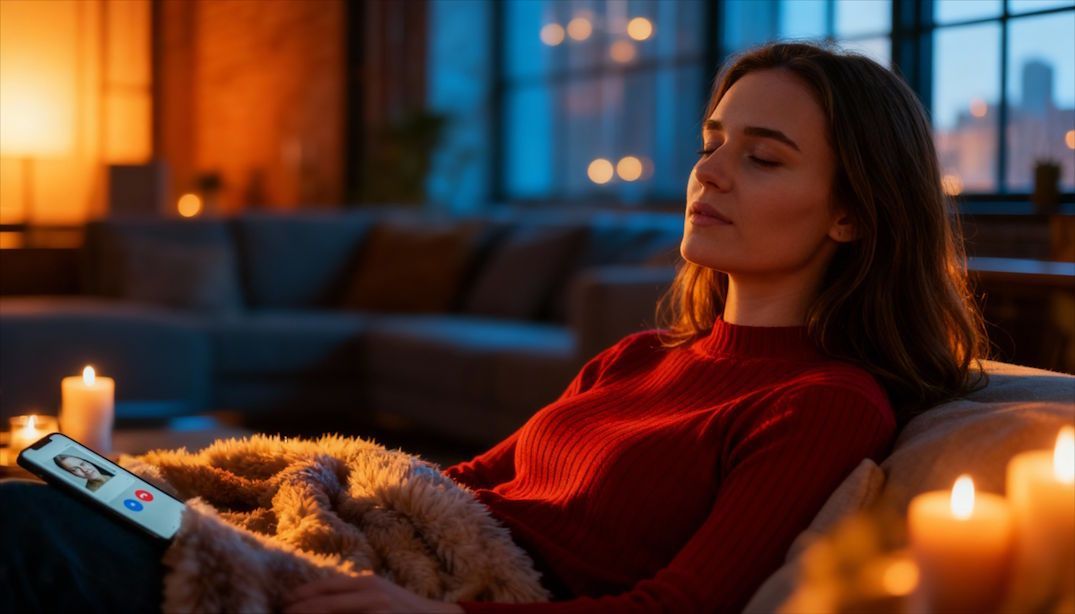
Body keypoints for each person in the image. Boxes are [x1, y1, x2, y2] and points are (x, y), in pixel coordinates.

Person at [1, 42, 988, 613]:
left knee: (32, 534)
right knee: (72, 494)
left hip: (430, 595)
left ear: (851, 211)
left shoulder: (820, 403)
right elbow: (459, 481)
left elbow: (677, 609)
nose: (711, 173)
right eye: (711, 143)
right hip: (352, 553)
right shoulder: (639, 356)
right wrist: (291, 504)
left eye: (763, 157)